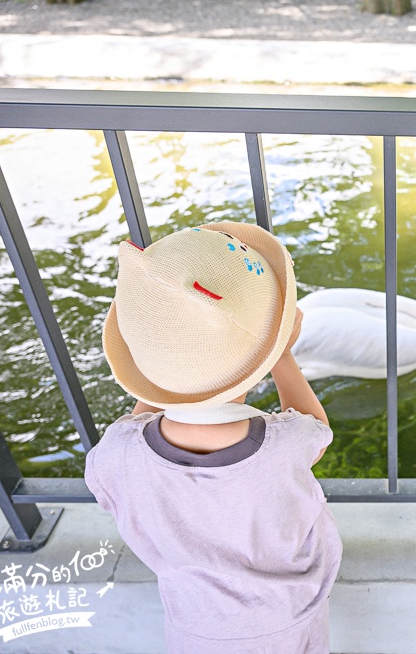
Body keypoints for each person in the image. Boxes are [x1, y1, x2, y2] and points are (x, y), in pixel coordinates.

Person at [84, 221, 341, 653]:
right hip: (290, 618)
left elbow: (123, 448)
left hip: (194, 626)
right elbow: (317, 430)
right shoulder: (283, 446)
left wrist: (159, 380)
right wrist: (283, 357)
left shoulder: (117, 455)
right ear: (268, 349)